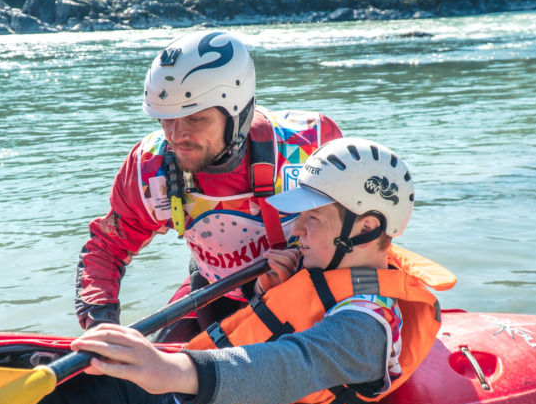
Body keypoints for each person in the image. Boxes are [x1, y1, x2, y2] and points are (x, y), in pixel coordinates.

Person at [34, 137, 455, 404]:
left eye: (315, 218)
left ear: (367, 228)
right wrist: (268, 292)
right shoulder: (323, 271)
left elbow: (291, 365)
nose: (298, 229)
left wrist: (169, 370)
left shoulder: (368, 326)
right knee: (47, 376)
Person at [75, 30, 343, 341]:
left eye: (195, 119)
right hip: (215, 295)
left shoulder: (311, 147)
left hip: (307, 294)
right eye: (166, 119)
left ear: (239, 112)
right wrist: (100, 324)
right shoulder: (149, 168)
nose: (176, 136)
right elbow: (107, 249)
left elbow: (359, 235)